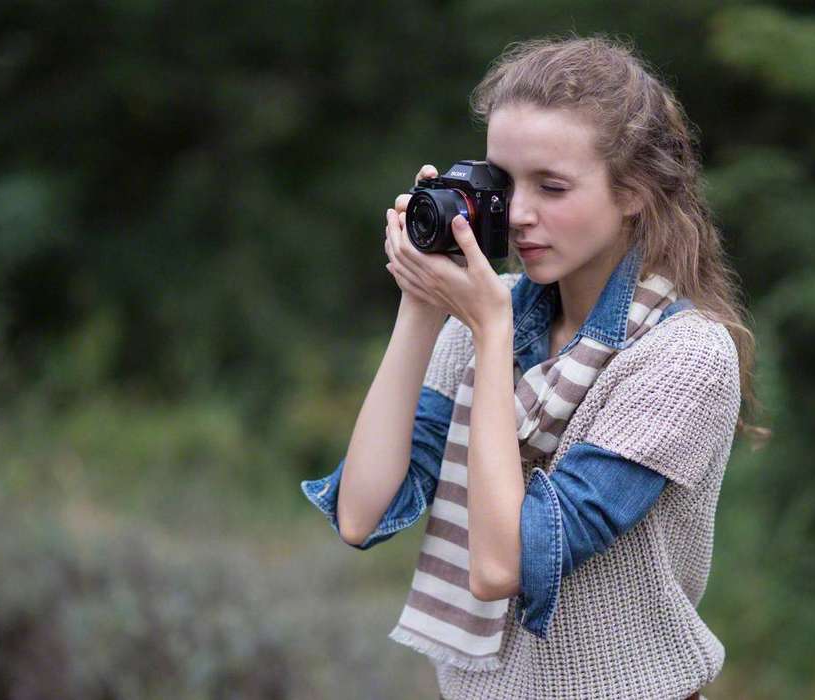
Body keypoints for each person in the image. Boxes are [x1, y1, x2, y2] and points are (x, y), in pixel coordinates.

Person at [301, 34, 764, 700]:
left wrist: (491, 333)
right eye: (503, 182)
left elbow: (502, 566)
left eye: (552, 187)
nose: (518, 215)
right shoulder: (489, 314)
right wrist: (421, 306)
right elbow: (360, 513)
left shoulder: (684, 356)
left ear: (633, 191)